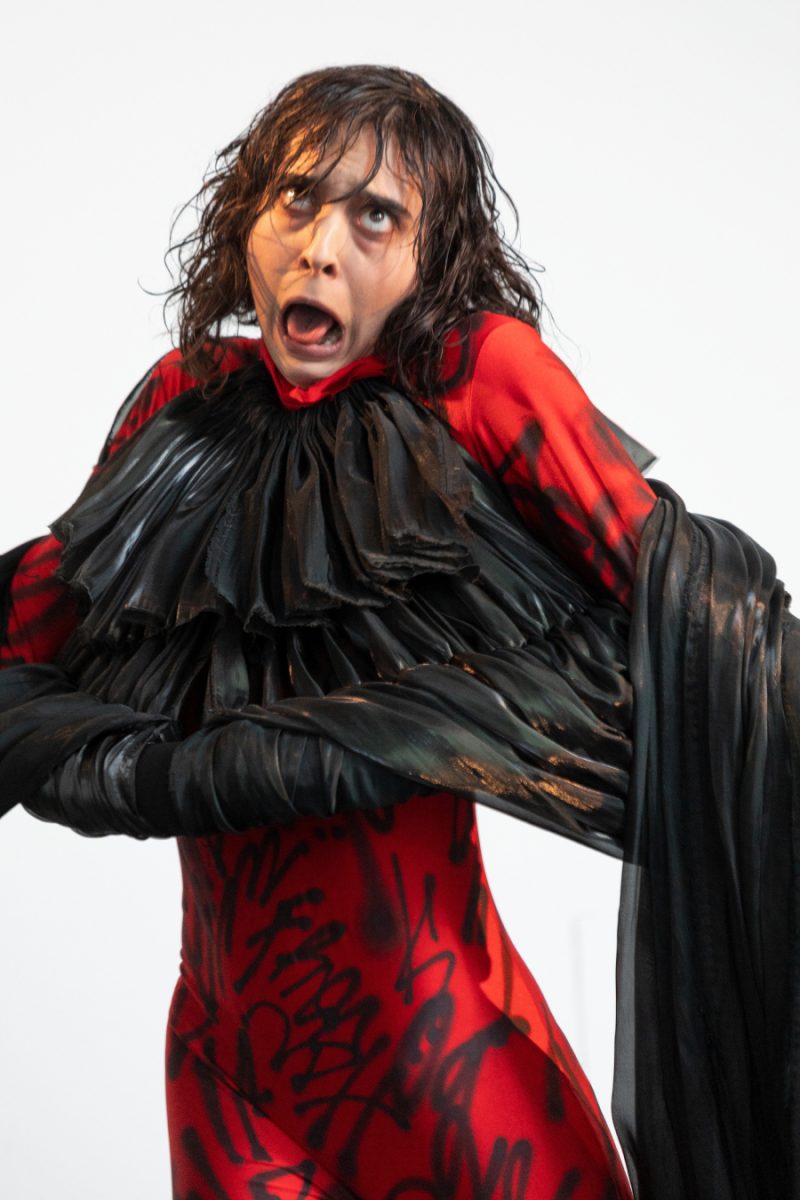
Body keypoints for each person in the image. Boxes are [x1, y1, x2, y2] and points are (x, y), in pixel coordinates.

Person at [0, 66, 796, 1200]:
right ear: (247, 216)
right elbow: (40, 621)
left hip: (447, 1069)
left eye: (376, 216)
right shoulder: (182, 401)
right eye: (296, 200)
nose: (321, 249)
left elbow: (685, 609)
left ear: (435, 253)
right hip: (225, 1076)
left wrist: (440, 718)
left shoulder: (477, 383)